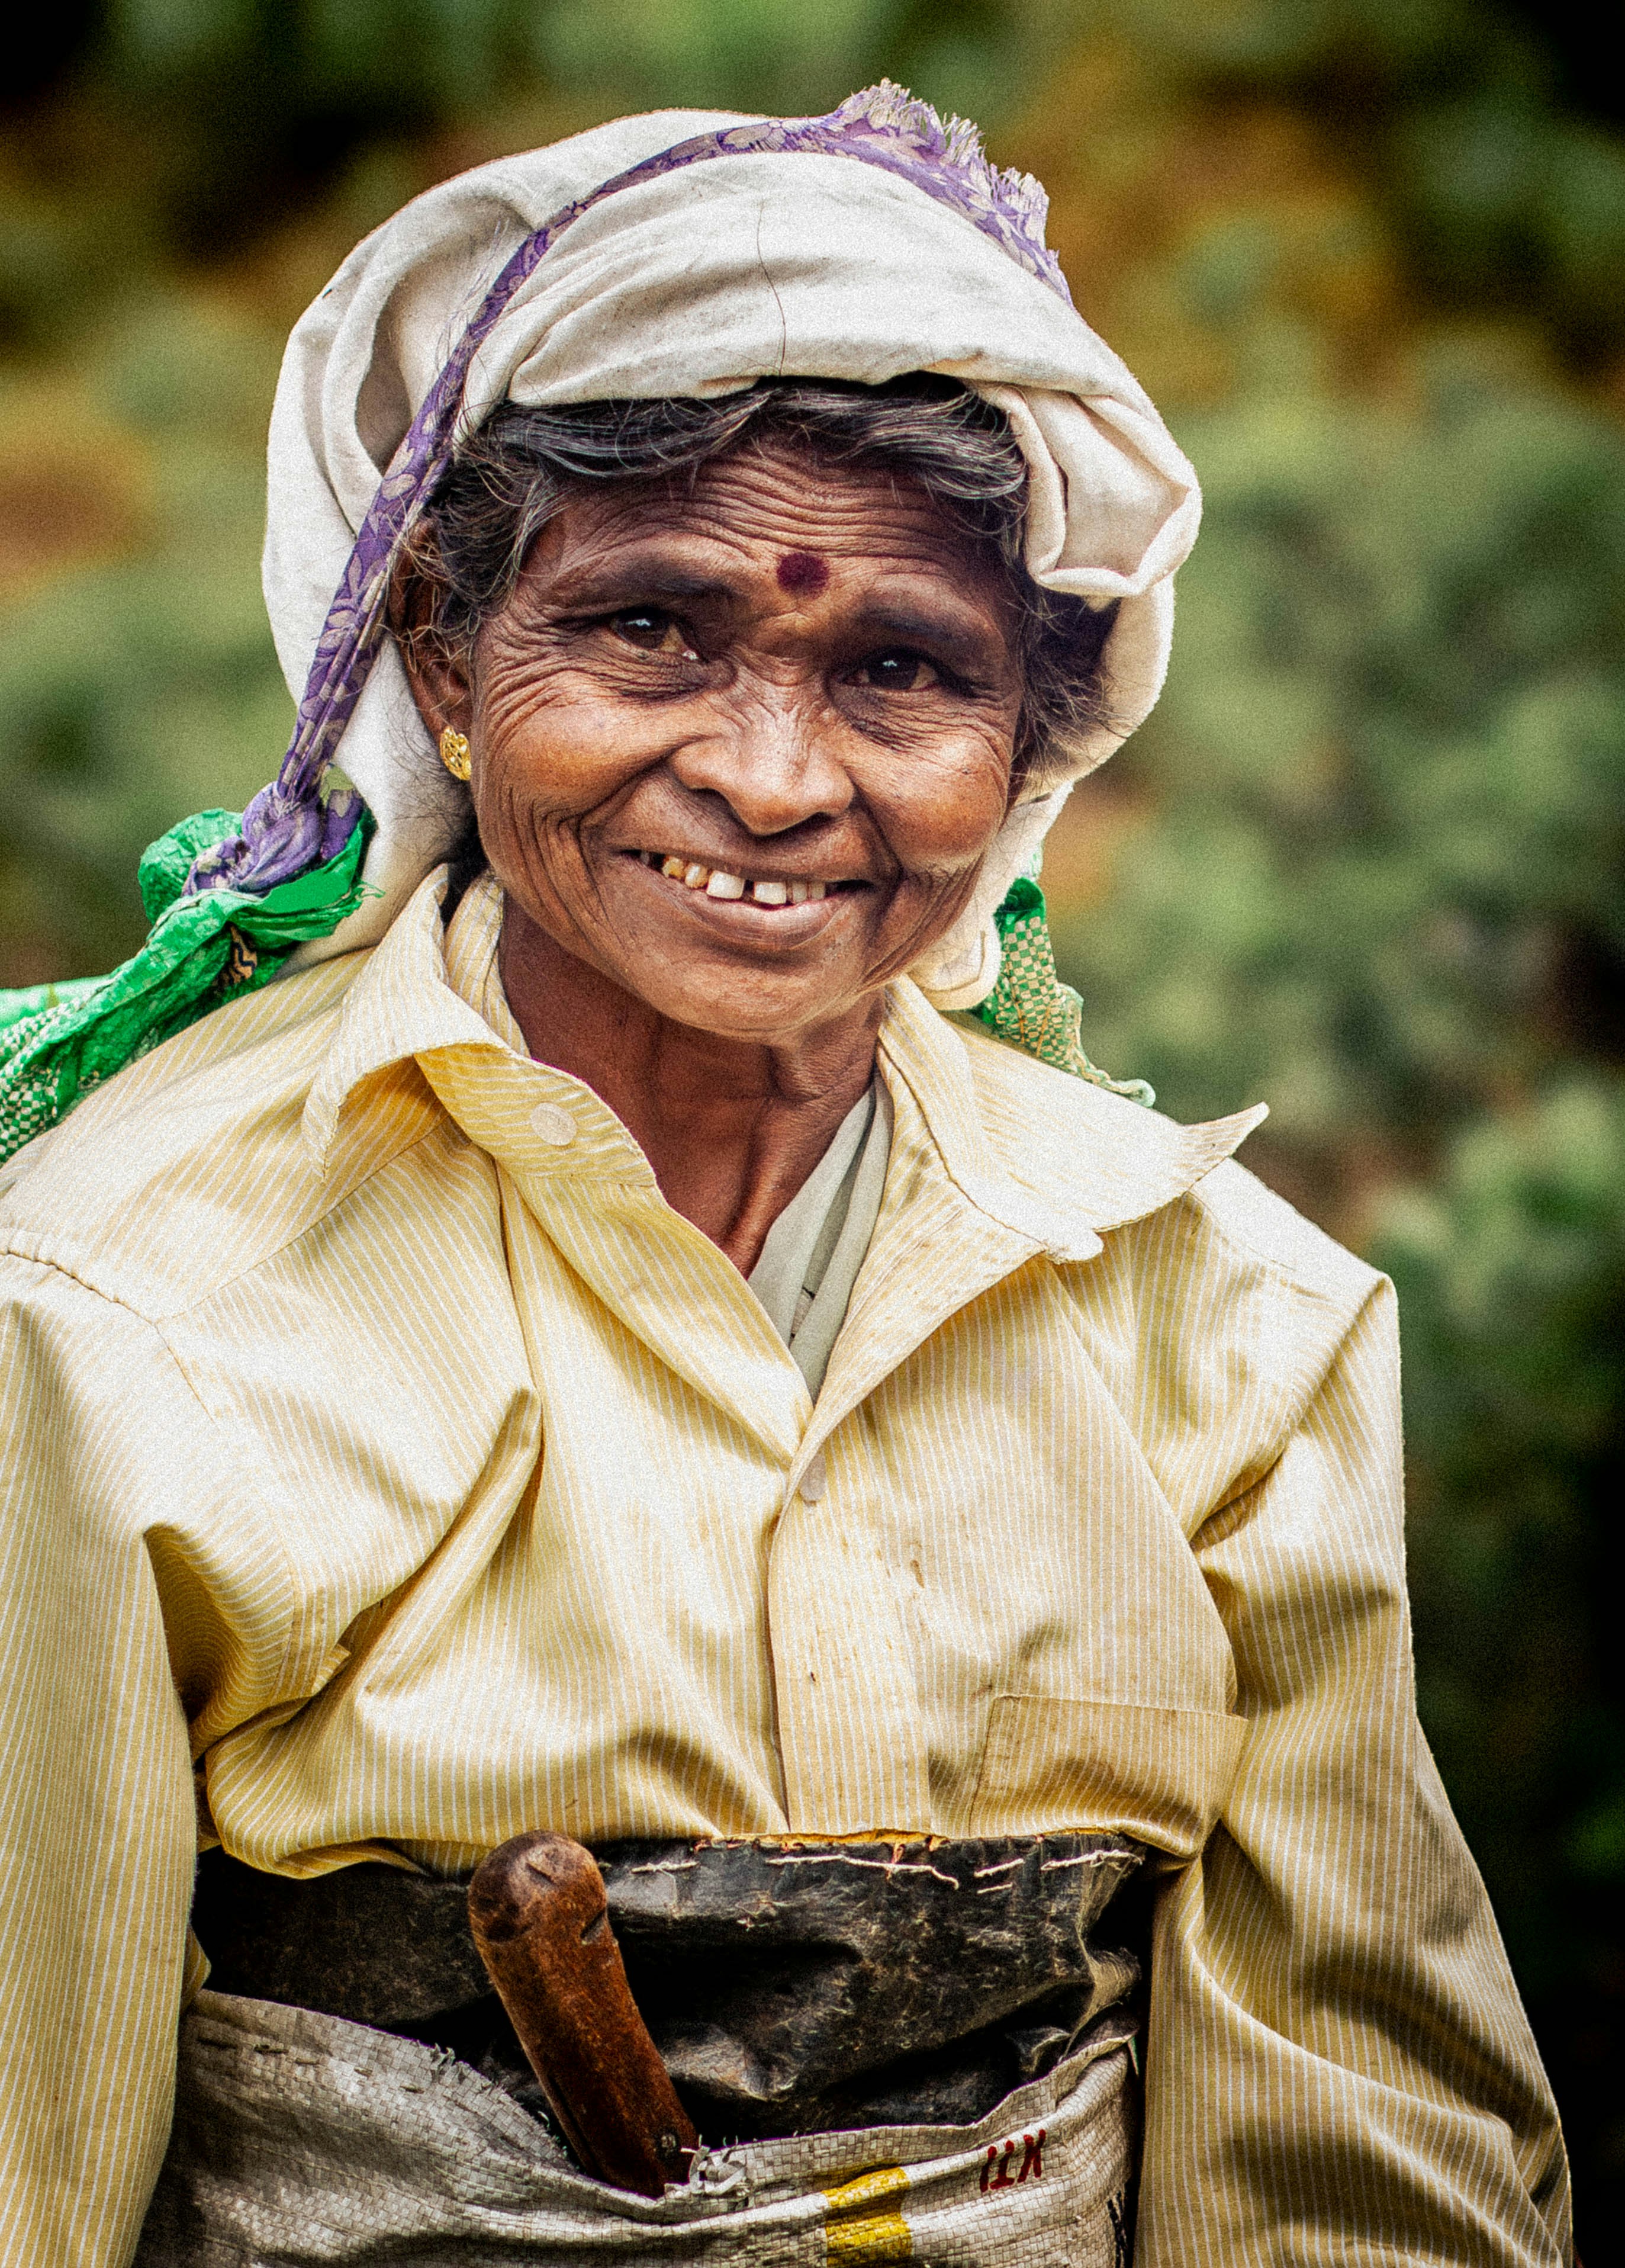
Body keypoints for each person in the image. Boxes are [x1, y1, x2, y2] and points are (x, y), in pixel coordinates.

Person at [0, 84, 1571, 2267]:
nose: (764, 777)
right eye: (647, 630)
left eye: (899, 672)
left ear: (1033, 745)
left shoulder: (1230, 1325)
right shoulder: (104, 1308)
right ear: (445, 664)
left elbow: (1352, 2157)